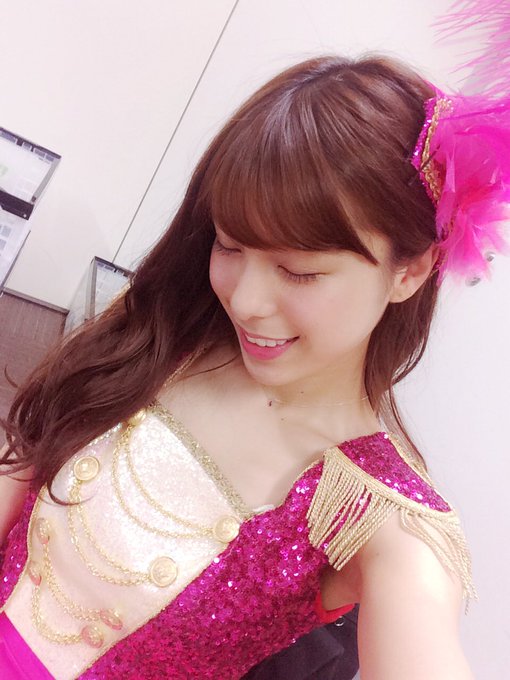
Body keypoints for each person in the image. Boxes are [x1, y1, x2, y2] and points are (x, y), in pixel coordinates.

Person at [1, 49, 509, 679]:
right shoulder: (167, 331)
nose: (244, 300)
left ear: (410, 270)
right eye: (230, 245)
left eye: (299, 271)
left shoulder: (377, 515)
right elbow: (27, 455)